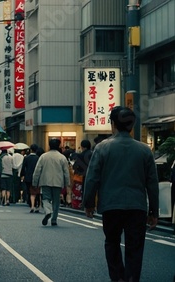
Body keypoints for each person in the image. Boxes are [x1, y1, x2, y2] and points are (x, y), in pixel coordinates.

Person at [83, 106, 159, 282]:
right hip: (137, 206)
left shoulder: (102, 148)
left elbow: (92, 178)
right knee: (135, 247)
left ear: (113, 124)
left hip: (111, 205)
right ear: (131, 126)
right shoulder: (144, 150)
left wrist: (88, 204)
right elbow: (152, 184)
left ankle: (117, 278)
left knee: (112, 243)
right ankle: (132, 279)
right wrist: (154, 212)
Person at [32, 138, 70, 226]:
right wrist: (67, 184)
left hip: (45, 181)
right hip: (58, 182)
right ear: (58, 146)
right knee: (56, 201)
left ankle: (48, 211)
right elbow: (66, 172)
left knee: (45, 198)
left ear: (49, 146)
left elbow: (37, 170)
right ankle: (54, 219)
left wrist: (35, 182)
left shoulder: (43, 156)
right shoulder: (62, 157)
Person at [71, 139, 92, 209]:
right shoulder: (93, 154)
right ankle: (90, 205)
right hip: (91, 175)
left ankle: (81, 204)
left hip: (81, 176)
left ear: (82, 147)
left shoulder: (79, 155)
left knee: (81, 190)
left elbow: (75, 166)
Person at [21, 144, 40, 213]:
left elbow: (23, 167)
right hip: (36, 177)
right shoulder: (38, 158)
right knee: (36, 191)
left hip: (28, 176)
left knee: (29, 191)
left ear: (31, 150)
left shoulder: (26, 158)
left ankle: (31, 204)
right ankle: (36, 204)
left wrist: (22, 175)